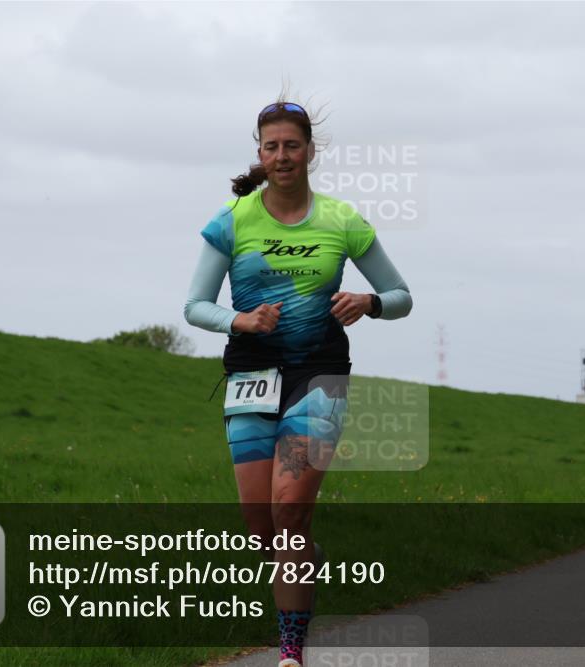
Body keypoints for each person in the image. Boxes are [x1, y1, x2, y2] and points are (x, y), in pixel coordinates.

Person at [184, 99, 412, 667]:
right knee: (263, 525)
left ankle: (290, 651)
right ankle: (301, 558)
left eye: (291, 145)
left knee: (289, 509)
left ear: (310, 151)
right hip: (252, 376)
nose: (282, 156)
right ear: (260, 154)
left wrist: (369, 301)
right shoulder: (232, 222)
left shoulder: (341, 221)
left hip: (320, 373)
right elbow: (194, 306)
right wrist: (239, 319)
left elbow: (402, 296)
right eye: (271, 146)